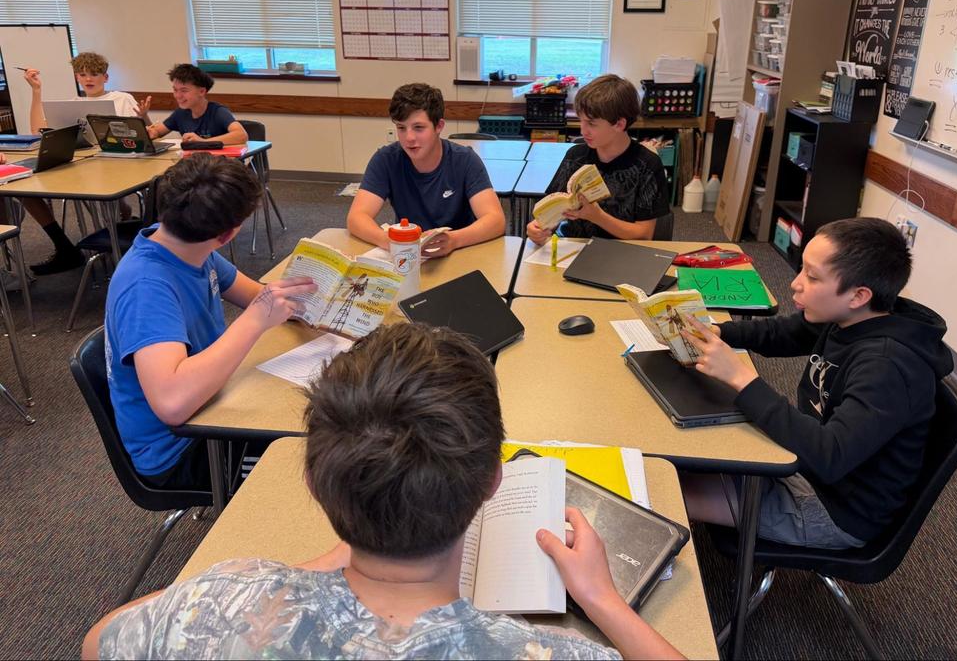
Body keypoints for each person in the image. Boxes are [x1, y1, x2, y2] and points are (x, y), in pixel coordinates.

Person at [84, 323, 686, 660]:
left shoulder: (218, 605)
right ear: (492, 485)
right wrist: (603, 600)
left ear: (314, 483)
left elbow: (98, 642)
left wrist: (275, 584)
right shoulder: (554, 656)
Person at [678, 217, 954, 550]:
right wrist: (717, 332)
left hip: (834, 508)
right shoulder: (850, 317)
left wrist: (741, 378)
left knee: (667, 491)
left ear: (858, 295)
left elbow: (830, 455)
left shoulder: (888, 367)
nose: (795, 284)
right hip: (804, 461)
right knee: (682, 456)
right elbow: (783, 333)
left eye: (812, 276)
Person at [104, 153, 315, 488]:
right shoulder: (146, 286)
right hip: (182, 448)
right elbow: (172, 404)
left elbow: (254, 294)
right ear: (229, 234)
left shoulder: (183, 242)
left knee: (325, 421)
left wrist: (316, 305)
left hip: (215, 405)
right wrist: (258, 317)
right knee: (325, 463)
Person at [7, 53, 151, 275]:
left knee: (109, 187)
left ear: (105, 77)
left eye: (94, 74)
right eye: (83, 75)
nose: (88, 79)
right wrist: (36, 91)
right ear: (77, 77)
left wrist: (145, 118)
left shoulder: (121, 98)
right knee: (26, 188)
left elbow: (142, 134)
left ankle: (123, 215)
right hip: (81, 167)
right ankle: (64, 247)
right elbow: (38, 132)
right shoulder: (72, 105)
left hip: (117, 164)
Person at [347, 82, 505, 258]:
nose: (409, 138)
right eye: (401, 128)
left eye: (418, 128)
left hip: (459, 252)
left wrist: (454, 240)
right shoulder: (386, 159)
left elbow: (496, 220)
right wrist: (389, 241)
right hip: (408, 256)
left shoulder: (465, 160)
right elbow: (356, 217)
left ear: (439, 126)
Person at [527, 74, 669, 245]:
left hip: (623, 253)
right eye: (581, 121)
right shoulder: (576, 156)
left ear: (619, 124)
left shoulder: (647, 164)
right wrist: (539, 228)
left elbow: (644, 235)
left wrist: (598, 217)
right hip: (574, 250)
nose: (583, 131)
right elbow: (553, 207)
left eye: (591, 124)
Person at [147, 64, 248, 146]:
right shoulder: (180, 113)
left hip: (220, 165)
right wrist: (151, 132)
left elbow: (241, 135)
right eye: (175, 90)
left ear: (202, 91)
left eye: (184, 90)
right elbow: (158, 132)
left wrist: (202, 142)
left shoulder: (218, 112)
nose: (178, 95)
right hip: (194, 164)